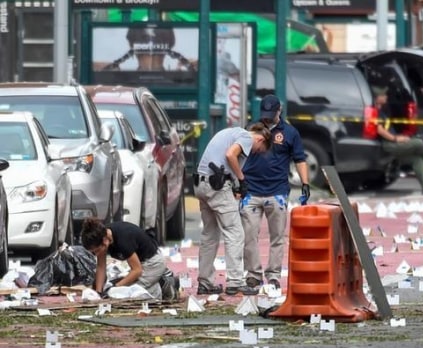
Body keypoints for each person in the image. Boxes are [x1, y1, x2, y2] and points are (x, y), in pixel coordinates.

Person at [194, 122, 272, 296]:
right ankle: (235, 282)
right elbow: (231, 155)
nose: (254, 152)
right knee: (235, 233)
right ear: (260, 139)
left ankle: (205, 282)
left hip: (201, 183)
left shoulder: (229, 131)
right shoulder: (245, 137)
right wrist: (242, 179)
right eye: (259, 149)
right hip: (216, 186)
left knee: (210, 234)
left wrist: (235, 186)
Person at [241, 95, 310, 290]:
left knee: (277, 237)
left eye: (271, 115)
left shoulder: (290, 133)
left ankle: (273, 276)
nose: (267, 118)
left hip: (277, 192)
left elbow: (300, 159)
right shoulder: (250, 130)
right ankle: (253, 275)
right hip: (251, 191)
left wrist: (305, 183)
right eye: (265, 115)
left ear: (280, 111)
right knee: (249, 236)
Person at [80, 218, 178, 300]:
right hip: (140, 263)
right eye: (93, 252)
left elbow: (137, 271)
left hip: (152, 263)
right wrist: (99, 292)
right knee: (114, 288)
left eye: (97, 250)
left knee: (131, 295)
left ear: (105, 241)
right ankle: (155, 282)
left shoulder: (123, 241)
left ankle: (164, 284)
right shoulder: (104, 235)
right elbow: (101, 266)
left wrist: (117, 287)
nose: (96, 254)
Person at [373, 86, 423, 195]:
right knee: (419, 143)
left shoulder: (382, 111)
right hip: (389, 144)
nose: (386, 97)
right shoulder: (376, 112)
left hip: (393, 142)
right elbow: (380, 130)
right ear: (377, 98)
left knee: (417, 159)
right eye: (383, 95)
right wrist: (396, 138)